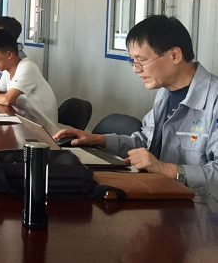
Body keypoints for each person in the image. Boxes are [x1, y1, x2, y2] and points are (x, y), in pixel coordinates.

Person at [54, 16, 218, 198]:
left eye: (141, 61)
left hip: (202, 209)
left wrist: (167, 170)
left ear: (174, 55)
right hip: (164, 200)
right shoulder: (165, 94)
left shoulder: (214, 100)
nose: (136, 69)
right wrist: (96, 140)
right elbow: (146, 143)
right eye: (132, 61)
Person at [0, 29, 59, 130]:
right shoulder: (7, 70)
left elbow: (7, 100)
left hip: (44, 132)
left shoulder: (27, 67)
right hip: (25, 125)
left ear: (9, 55)